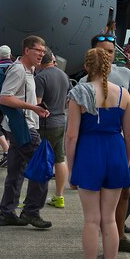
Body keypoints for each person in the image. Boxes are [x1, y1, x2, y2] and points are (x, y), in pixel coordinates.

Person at [66, 47, 130, 259]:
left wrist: (72, 169)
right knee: (110, 220)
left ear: (86, 67)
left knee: (91, 221)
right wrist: (124, 163)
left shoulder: (78, 94)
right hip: (115, 153)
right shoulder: (123, 95)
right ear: (108, 68)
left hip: (89, 154)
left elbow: (72, 137)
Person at [83, 33, 130, 254]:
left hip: (121, 142)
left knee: (126, 191)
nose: (107, 56)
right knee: (101, 198)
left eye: (110, 51)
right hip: (99, 145)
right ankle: (108, 243)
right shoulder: (85, 82)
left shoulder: (125, 74)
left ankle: (119, 237)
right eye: (103, 51)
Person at [0, 35, 52, 229]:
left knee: (16, 171)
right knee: (42, 168)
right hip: (23, 128)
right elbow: (5, 97)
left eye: (43, 52)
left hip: (19, 126)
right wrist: (33, 107)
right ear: (27, 50)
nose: (41, 54)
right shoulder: (19, 70)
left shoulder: (30, 70)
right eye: (38, 50)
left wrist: (37, 108)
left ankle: (7, 213)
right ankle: (31, 212)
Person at [36, 48, 73, 209]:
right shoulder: (64, 75)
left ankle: (36, 197)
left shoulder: (40, 77)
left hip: (45, 123)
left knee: (41, 160)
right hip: (60, 121)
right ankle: (59, 196)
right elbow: (68, 100)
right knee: (59, 158)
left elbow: (38, 103)